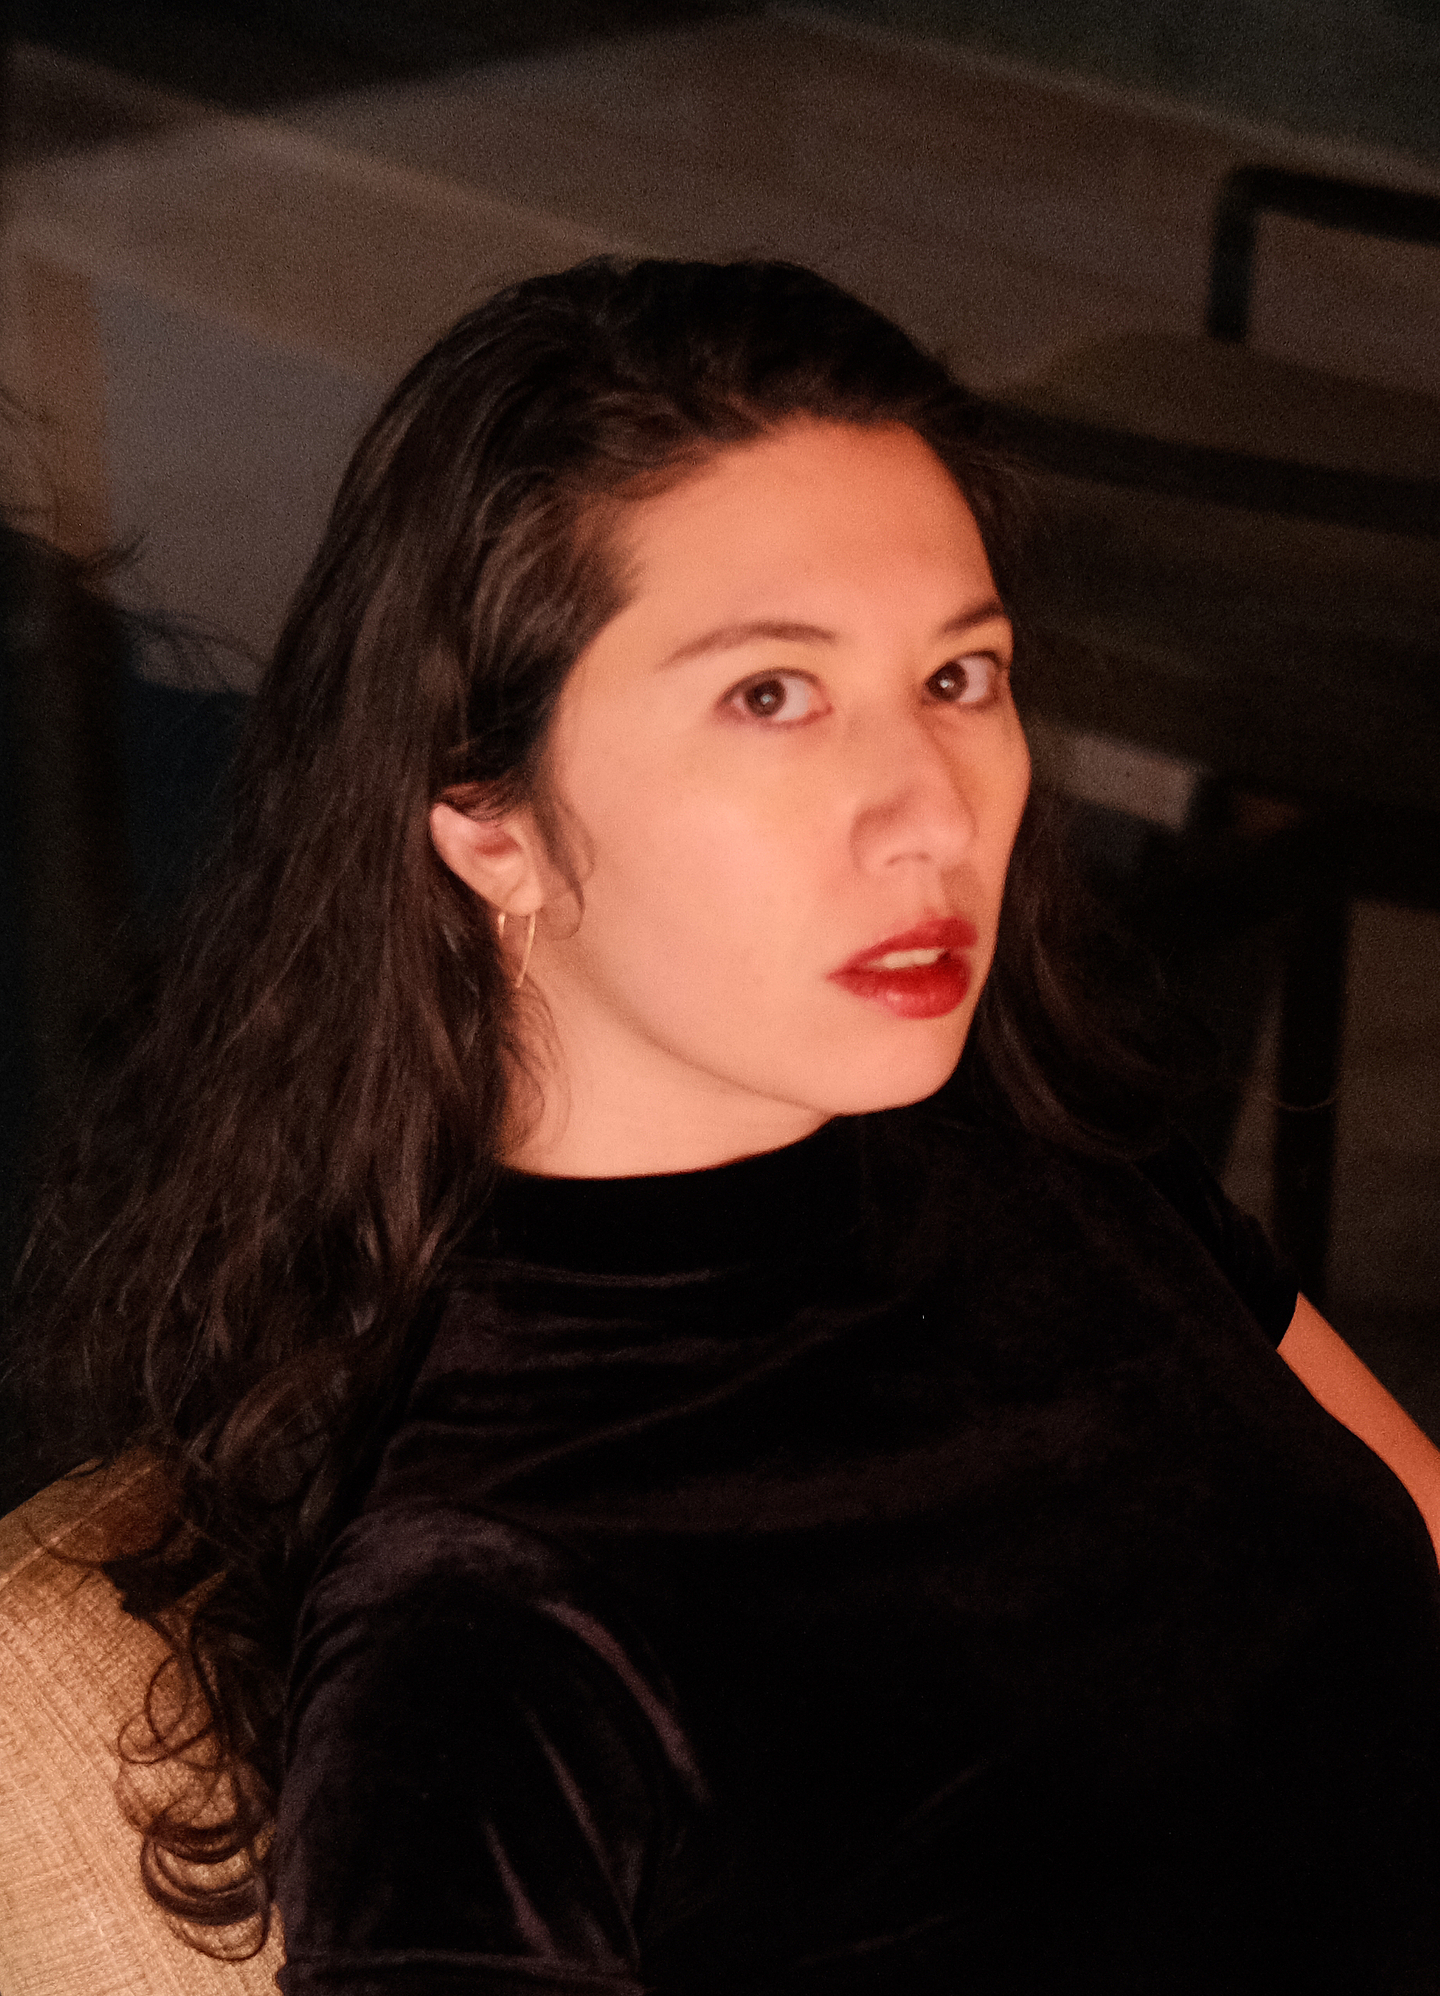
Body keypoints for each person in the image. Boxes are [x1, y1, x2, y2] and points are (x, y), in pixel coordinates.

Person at [10, 258, 1440, 1995]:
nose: (929, 810)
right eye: (773, 695)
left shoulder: (1048, 1154)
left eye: (960, 676)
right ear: (488, 822)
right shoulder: (487, 1614)